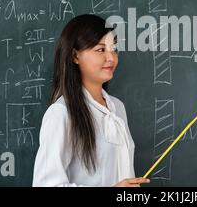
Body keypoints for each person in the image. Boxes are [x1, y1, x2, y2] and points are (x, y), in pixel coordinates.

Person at [32, 14, 149, 187]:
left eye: (113, 48)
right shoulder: (62, 113)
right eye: (101, 49)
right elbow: (46, 185)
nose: (111, 57)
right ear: (75, 56)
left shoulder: (117, 107)